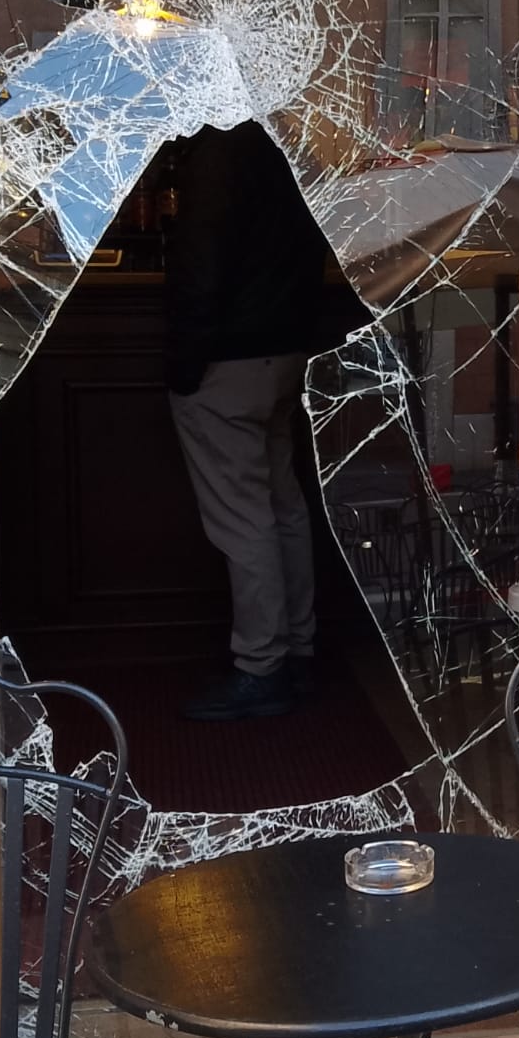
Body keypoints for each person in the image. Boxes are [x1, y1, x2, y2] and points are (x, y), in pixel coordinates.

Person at [162, 120, 328, 720]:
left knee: (244, 518)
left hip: (228, 356)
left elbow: (200, 264)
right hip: (282, 351)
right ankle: (298, 652)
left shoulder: (216, 153)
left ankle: (261, 668)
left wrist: (184, 364)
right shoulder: (282, 139)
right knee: (282, 506)